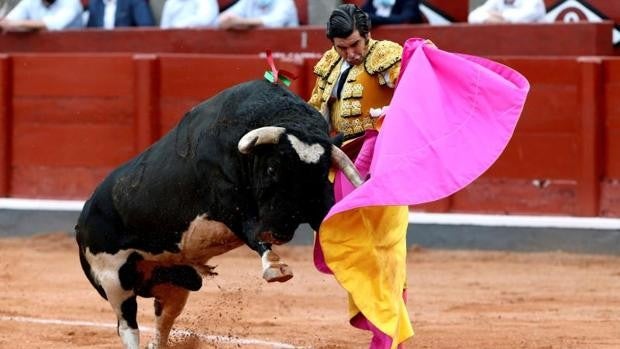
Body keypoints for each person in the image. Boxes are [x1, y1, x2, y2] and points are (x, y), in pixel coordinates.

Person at [0, 0, 83, 31]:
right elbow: (7, 22)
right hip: (37, 52)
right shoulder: (30, 2)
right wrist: (8, 23)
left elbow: (53, 25)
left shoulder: (72, 2)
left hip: (69, 53)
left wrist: (14, 24)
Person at [217, 0, 298, 30]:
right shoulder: (248, 2)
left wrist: (242, 23)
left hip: (283, 52)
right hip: (254, 50)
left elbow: (274, 22)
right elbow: (221, 19)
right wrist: (228, 22)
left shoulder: (286, 2)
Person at [86, 0, 155, 28]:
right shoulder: (95, 4)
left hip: (128, 51)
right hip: (101, 52)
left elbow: (147, 27)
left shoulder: (135, 1)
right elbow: (90, 32)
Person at [468, 0, 546, 24]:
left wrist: (495, 14)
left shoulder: (534, 1)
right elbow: (473, 16)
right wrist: (487, 18)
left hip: (534, 43)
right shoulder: (496, 1)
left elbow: (519, 19)